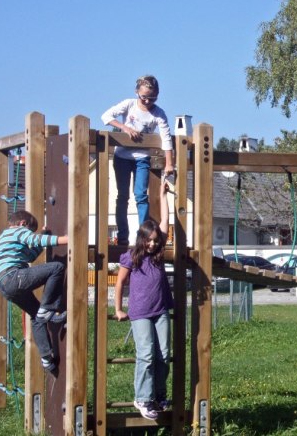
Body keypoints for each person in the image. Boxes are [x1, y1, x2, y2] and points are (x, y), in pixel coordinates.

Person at [114, 179, 173, 420]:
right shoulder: (132, 257)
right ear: (141, 239)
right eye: (148, 240)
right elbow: (119, 283)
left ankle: (159, 395)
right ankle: (143, 397)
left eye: (155, 240)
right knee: (147, 354)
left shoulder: (159, 254)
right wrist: (118, 309)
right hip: (139, 312)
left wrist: (162, 194)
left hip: (160, 310)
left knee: (164, 354)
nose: (152, 243)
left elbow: (165, 221)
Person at [102, 75, 175, 246]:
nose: (148, 101)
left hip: (142, 158)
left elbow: (166, 138)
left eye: (153, 98)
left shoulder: (158, 113)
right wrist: (124, 127)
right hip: (122, 157)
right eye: (144, 97)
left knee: (141, 195)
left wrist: (169, 163)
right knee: (122, 196)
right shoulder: (129, 104)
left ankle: (143, 236)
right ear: (137, 93)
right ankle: (122, 236)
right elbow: (106, 116)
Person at [0, 210, 69, 373]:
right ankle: (48, 308)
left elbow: (29, 256)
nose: (30, 234)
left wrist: (42, 238)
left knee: (36, 317)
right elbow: (34, 239)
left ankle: (46, 358)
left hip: (4, 286)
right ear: (23, 223)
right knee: (57, 267)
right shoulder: (17, 230)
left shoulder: (5, 237)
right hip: (13, 277)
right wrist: (66, 240)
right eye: (30, 230)